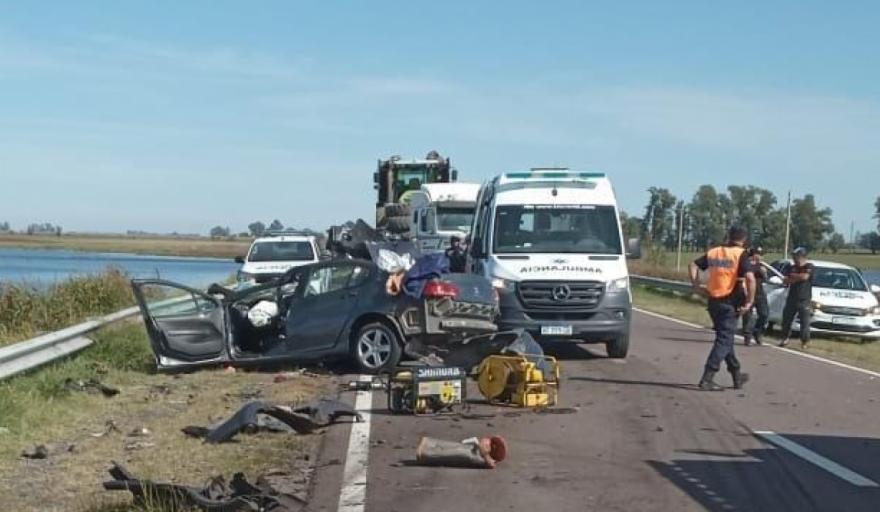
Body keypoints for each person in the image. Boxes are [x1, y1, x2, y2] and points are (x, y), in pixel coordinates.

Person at [688, 225, 756, 391]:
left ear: (729, 236)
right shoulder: (741, 254)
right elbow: (750, 278)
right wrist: (749, 301)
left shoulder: (715, 252)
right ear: (744, 239)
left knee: (726, 338)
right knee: (724, 339)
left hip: (713, 301)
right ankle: (707, 377)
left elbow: (693, 265)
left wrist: (697, 286)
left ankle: (736, 373)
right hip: (730, 302)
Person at [779, 247, 814, 348]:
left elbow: (805, 277)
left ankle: (805, 341)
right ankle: (784, 338)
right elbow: (786, 280)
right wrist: (794, 278)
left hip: (804, 299)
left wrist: (794, 277)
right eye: (794, 256)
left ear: (802, 257)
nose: (794, 259)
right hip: (792, 298)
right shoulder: (791, 267)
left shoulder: (809, 266)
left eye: (796, 256)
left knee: (805, 321)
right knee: (786, 319)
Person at [742, 246, 769, 346]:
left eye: (762, 255)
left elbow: (766, 279)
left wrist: (764, 272)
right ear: (754, 255)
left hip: (759, 293)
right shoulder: (746, 265)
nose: (761, 257)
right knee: (748, 316)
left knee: (764, 314)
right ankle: (747, 336)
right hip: (748, 292)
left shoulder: (761, 266)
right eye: (759, 254)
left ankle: (757, 331)